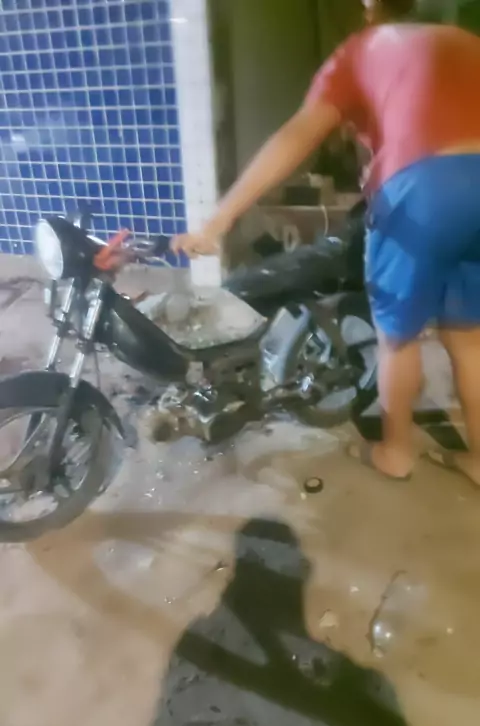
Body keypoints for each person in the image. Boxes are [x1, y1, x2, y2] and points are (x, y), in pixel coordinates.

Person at [172, 0, 480, 484]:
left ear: (370, 7)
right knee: (469, 340)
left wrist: (219, 221)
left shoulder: (362, 50)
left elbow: (297, 136)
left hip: (422, 188)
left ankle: (396, 453)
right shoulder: (466, 43)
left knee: (397, 339)